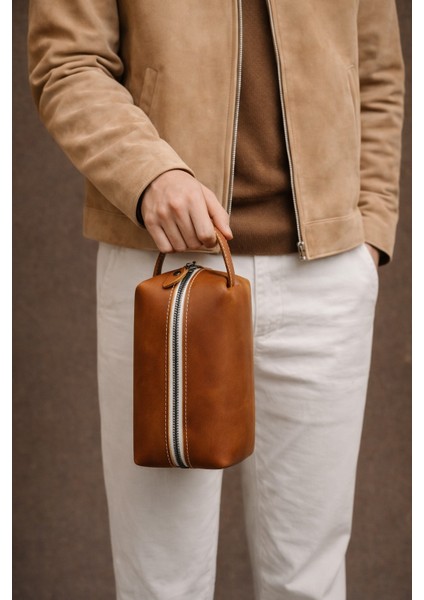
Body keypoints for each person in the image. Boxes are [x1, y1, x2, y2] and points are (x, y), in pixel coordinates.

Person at [27, 1, 405, 598]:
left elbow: (377, 69)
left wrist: (371, 227)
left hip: (327, 271)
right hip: (167, 275)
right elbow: (68, 61)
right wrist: (149, 173)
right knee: (162, 582)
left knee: (310, 581)